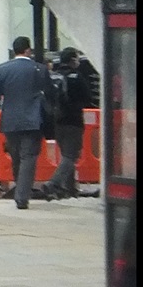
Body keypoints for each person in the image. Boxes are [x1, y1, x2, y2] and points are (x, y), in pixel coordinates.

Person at [0, 36, 54, 209]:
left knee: (16, 157)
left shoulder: (3, 70)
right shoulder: (39, 69)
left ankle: (20, 190)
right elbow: (51, 95)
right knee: (29, 158)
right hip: (32, 120)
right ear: (27, 50)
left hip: (10, 121)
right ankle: (22, 196)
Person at [42, 47, 95, 199]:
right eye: (77, 58)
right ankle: (53, 183)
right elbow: (87, 97)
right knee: (71, 156)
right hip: (73, 121)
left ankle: (70, 189)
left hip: (57, 121)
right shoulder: (76, 77)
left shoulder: (53, 76)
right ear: (72, 60)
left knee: (66, 155)